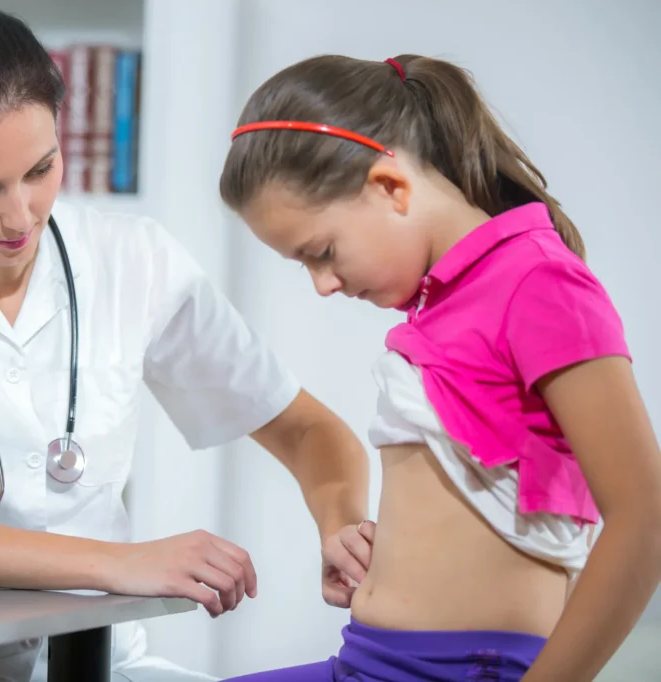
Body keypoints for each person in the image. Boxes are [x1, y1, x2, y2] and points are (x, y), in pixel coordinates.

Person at [0, 8, 372, 682]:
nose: (20, 215)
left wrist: (342, 522)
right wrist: (119, 563)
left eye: (41, 168)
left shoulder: (129, 257)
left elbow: (309, 429)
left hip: (96, 661)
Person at [218, 53, 661, 681]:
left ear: (391, 187)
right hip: (368, 661)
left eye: (321, 253)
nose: (321, 284)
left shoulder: (539, 282)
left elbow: (646, 519)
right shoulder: (444, 304)